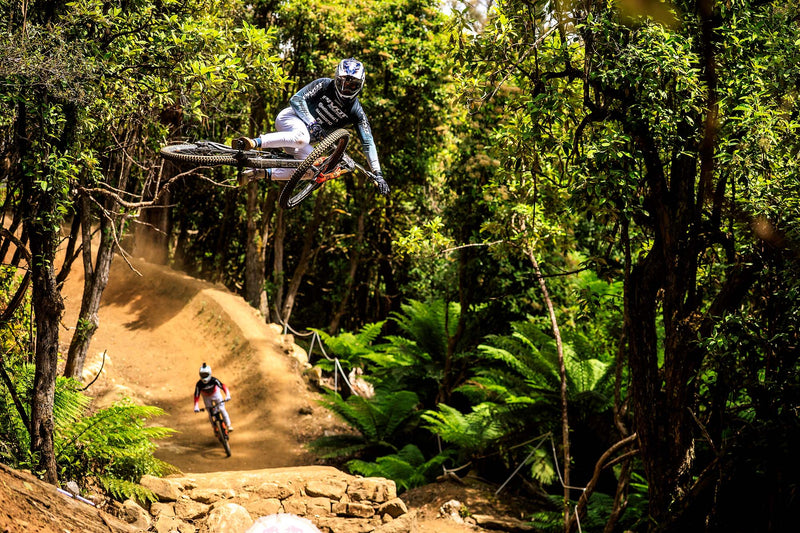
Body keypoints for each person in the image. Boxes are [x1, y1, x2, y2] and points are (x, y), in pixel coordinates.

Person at [235, 58, 389, 196]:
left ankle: (256, 173)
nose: (346, 89)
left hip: (301, 142)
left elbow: (368, 143)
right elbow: (296, 99)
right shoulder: (324, 84)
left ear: (360, 85)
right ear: (336, 78)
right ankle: (253, 142)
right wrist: (311, 122)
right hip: (290, 119)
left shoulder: (357, 112)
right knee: (302, 137)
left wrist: (378, 174)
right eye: (343, 83)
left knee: (315, 170)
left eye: (352, 85)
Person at [193, 362, 233, 431]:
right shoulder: (199, 384)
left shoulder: (214, 380)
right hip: (206, 397)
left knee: (222, 409)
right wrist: (196, 406)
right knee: (210, 412)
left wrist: (227, 395)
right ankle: (214, 427)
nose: (204, 376)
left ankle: (229, 425)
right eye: (202, 375)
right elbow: (196, 395)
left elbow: (222, 386)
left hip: (216, 394)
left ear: (210, 373)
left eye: (206, 374)